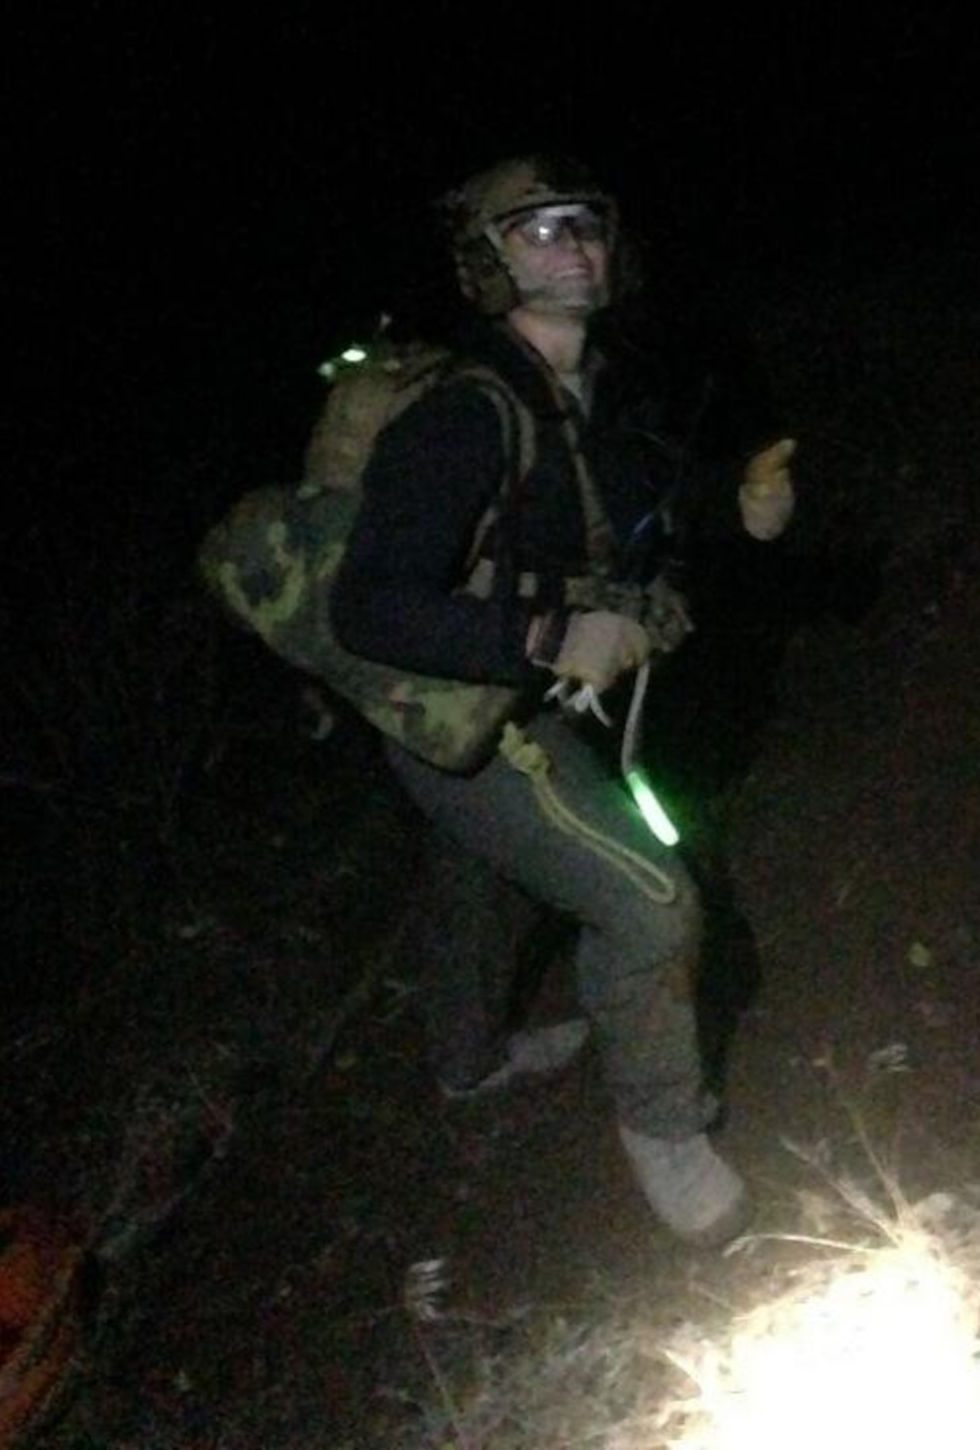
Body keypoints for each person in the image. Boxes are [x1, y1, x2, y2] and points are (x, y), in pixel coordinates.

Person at [330, 153, 795, 1246]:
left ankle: (468, 1060)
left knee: (477, 873)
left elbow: (623, 504)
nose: (572, 244)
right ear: (486, 263)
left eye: (584, 224)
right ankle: (666, 1133)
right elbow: (368, 605)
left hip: (503, 698)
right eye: (537, 231)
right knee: (650, 900)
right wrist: (545, 636)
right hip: (467, 707)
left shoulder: (583, 381)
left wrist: (737, 504)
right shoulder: (465, 413)